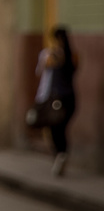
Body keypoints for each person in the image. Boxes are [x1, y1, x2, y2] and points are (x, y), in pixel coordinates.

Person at [34, 26, 79, 176]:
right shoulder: (70, 56)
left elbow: (44, 67)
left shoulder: (57, 55)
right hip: (68, 98)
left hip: (58, 99)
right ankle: (61, 155)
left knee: (56, 128)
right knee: (59, 128)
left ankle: (60, 154)